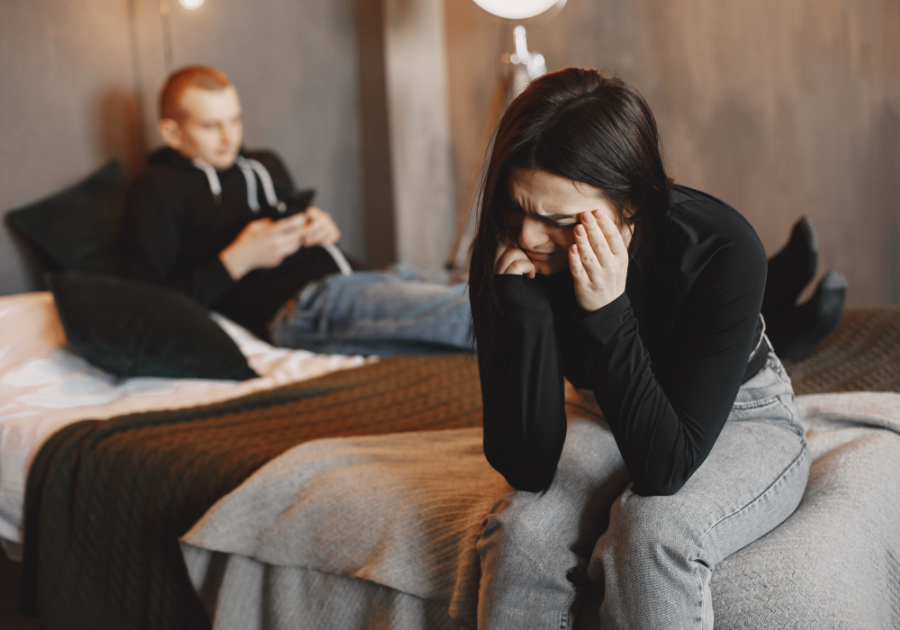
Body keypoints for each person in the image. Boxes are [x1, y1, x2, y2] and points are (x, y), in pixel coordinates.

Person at [468, 68, 812, 629]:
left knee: (651, 536)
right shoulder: (510, 247)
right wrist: (526, 314)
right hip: (602, 404)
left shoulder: (722, 246)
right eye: (517, 208)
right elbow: (526, 466)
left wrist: (607, 308)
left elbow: (663, 471)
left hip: (740, 415)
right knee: (523, 533)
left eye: (557, 221)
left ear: (630, 206)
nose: (529, 237)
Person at [124, 65, 471, 356]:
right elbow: (150, 305)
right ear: (171, 132)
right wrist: (238, 259)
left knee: (495, 288)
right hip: (298, 305)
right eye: (211, 126)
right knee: (476, 314)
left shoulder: (266, 163)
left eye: (235, 121)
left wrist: (319, 228)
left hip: (363, 276)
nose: (229, 137)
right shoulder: (157, 187)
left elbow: (302, 225)